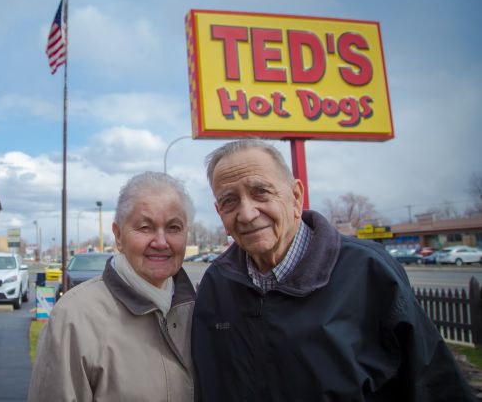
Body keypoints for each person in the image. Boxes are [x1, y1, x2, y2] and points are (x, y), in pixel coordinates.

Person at [191, 139, 474, 401]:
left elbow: (431, 385)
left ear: (295, 196)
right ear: (220, 213)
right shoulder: (217, 282)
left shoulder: (368, 272)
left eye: (261, 192)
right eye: (230, 200)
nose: (247, 213)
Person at [28, 172, 197, 401]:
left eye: (174, 227)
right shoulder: (74, 317)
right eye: (145, 227)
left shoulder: (201, 309)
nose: (160, 242)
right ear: (118, 236)